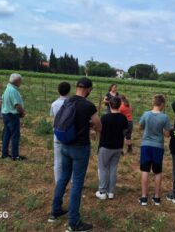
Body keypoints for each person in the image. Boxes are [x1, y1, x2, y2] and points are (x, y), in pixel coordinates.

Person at [50, 77, 102, 232]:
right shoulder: (88, 106)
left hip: (65, 145)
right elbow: (98, 125)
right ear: (89, 89)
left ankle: (55, 210)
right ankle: (74, 222)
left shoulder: (68, 101)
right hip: (80, 148)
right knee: (77, 183)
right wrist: (93, 127)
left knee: (64, 177)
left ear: (77, 87)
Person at [139, 94, 172, 206]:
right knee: (157, 172)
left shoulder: (146, 114)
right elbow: (167, 134)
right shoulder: (165, 117)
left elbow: (140, 127)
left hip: (146, 145)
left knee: (145, 170)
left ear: (153, 103)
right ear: (162, 104)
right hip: (158, 146)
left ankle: (144, 197)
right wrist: (160, 130)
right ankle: (156, 197)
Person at [96, 96, 128, 200]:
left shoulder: (105, 118)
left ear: (109, 105)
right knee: (113, 168)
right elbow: (124, 132)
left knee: (103, 168)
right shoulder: (123, 118)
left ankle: (102, 191)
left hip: (105, 146)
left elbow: (100, 131)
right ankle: (111, 192)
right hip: (118, 147)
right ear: (120, 105)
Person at [50, 82, 71, 184]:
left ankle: (58, 182)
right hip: (70, 135)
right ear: (69, 91)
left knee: (57, 160)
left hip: (58, 134)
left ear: (58, 91)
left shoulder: (54, 104)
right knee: (71, 159)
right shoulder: (72, 103)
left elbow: (53, 117)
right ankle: (71, 179)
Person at [1, 74, 26, 161]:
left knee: (7, 134)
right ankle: (15, 156)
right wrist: (22, 113)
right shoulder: (13, 91)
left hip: (5, 114)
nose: (21, 82)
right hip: (12, 115)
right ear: (17, 81)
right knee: (15, 135)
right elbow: (17, 105)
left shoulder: (7, 89)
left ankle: (4, 154)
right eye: (20, 81)